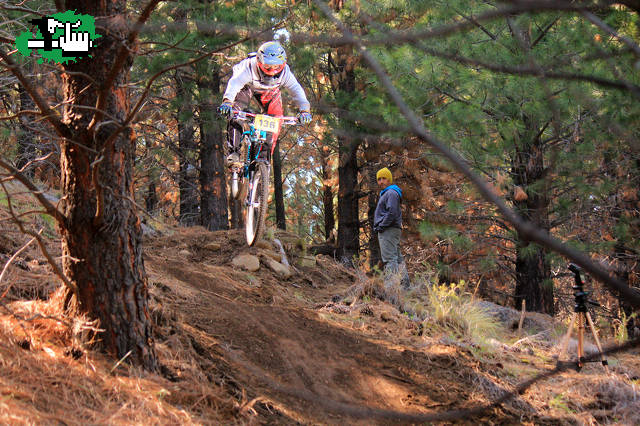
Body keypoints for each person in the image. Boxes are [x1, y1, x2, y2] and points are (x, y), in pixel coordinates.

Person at [218, 41, 312, 165]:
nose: (272, 71)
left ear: (283, 64)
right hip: (247, 86)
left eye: (277, 67)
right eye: (267, 66)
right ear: (259, 62)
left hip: (269, 91)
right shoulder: (248, 67)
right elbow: (234, 84)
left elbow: (296, 90)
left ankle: (263, 159)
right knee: (235, 112)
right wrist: (227, 102)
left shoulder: (286, 73)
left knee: (276, 119)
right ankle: (234, 153)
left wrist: (304, 110)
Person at [374, 167, 410, 288]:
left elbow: (392, 212)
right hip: (392, 228)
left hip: (388, 229)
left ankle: (391, 289)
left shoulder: (391, 193)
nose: (381, 181)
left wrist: (381, 226)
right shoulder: (389, 193)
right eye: (379, 179)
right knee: (397, 258)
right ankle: (405, 287)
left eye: (384, 178)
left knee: (389, 259)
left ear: (389, 179)